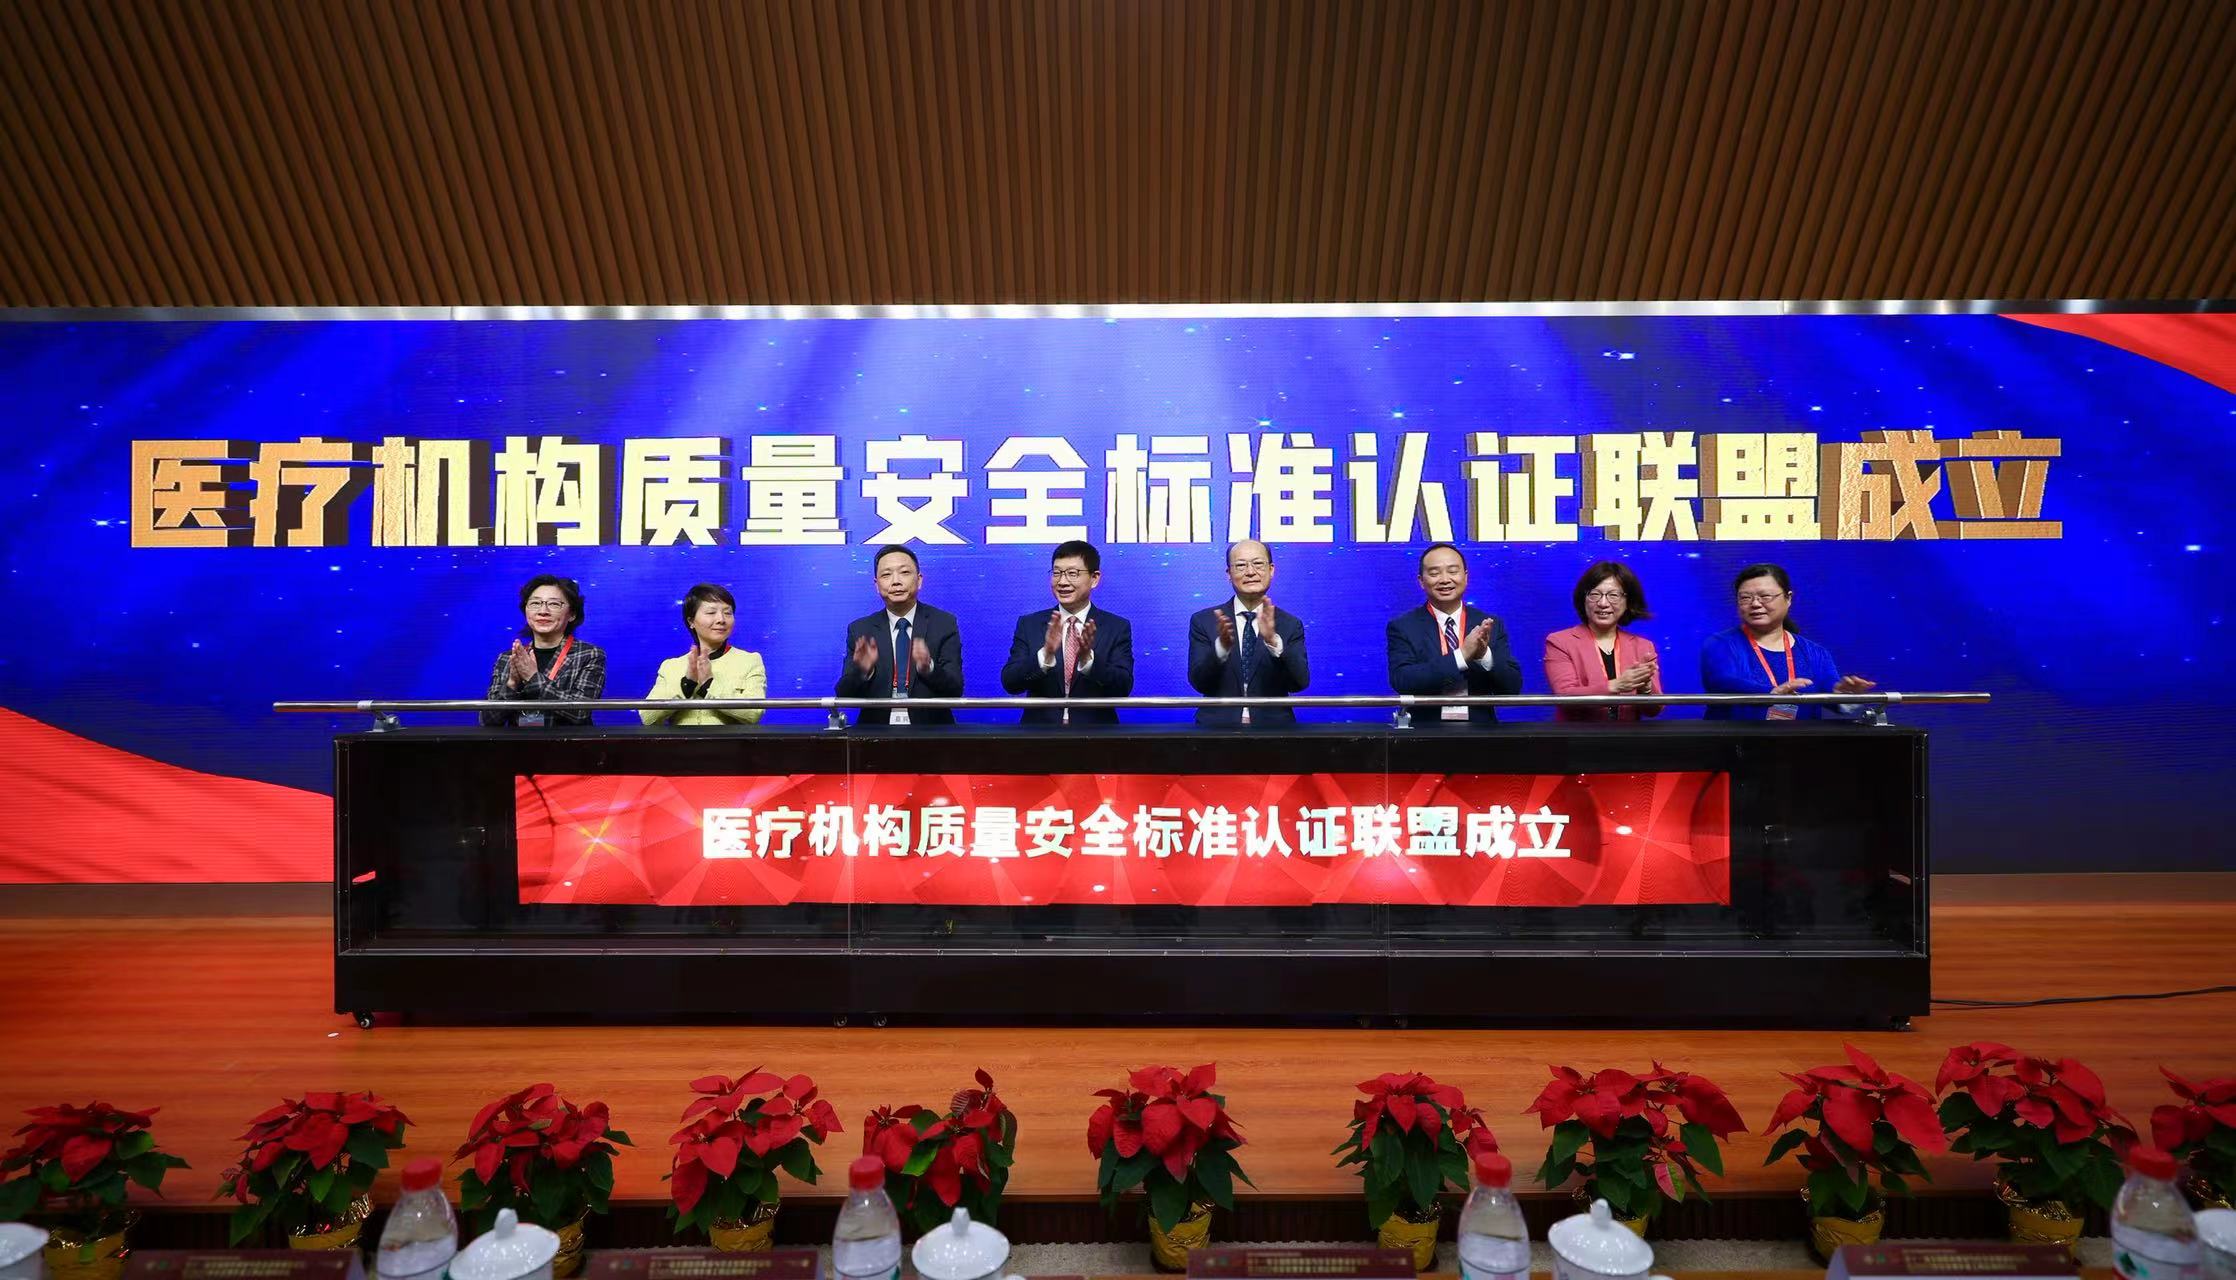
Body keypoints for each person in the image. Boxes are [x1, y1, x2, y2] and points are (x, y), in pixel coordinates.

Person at [1701, 563, 1876, 720]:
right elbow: (1722, 682)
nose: (1755, 604)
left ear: (1788, 598)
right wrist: (1771, 694)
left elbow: (1829, 689)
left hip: (1798, 742)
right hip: (1736, 741)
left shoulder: (1814, 652)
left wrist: (1843, 695)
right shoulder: (1720, 644)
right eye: (1745, 597)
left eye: (1765, 596)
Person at [1385, 543, 1523, 725]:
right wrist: (1461, 656)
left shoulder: (1489, 624)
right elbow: (1402, 681)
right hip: (1425, 730)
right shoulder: (1403, 626)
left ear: (1466, 576)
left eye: (1452, 571)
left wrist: (1484, 656)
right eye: (1434, 573)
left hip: (1481, 731)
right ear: (1421, 581)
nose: (1444, 579)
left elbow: (1512, 687)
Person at [1000, 539, 1134, 725]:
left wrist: (1089, 661)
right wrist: (1045, 655)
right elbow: (1010, 683)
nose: (1062, 582)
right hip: (1039, 733)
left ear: (1094, 578)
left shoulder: (1116, 627)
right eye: (1057, 573)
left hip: (1096, 734)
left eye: (1073, 573)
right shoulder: (1029, 624)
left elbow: (1123, 686)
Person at [1186, 540, 1309, 726]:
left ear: (1271, 570)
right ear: (1229, 574)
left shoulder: (1290, 624)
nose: (1250, 572)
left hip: (1274, 730)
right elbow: (1199, 682)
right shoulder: (1204, 621)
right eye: (1241, 565)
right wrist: (1221, 649)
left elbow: (1299, 683)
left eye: (1258, 564)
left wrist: (1274, 642)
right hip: (1217, 729)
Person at [837, 546, 964, 726]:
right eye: (886, 575)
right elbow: (843, 694)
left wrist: (929, 668)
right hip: (875, 731)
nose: (896, 581)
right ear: (876, 585)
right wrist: (863, 671)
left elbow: (955, 689)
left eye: (904, 572)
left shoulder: (943, 623)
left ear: (919, 580)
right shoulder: (861, 629)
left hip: (931, 730)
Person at [1543, 562, 1663, 722]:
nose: (1603, 603)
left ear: (1628, 602)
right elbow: (1564, 697)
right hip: (1577, 736)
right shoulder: (1560, 642)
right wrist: (1616, 686)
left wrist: (1645, 690)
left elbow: (1655, 710)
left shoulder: (1643, 646)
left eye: (1613, 595)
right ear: (1583, 599)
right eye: (1595, 594)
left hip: (1628, 735)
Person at [482, 575, 606, 727]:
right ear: (525, 611)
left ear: (572, 614)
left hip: (567, 741)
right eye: (535, 603)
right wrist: (512, 684)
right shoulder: (507, 658)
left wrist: (532, 677)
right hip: (518, 741)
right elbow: (488, 720)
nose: (543, 611)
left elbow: (580, 712)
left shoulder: (589, 654)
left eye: (554, 604)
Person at [643, 583, 768, 725]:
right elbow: (648, 718)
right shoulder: (671, 666)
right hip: (682, 740)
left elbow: (754, 713)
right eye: (711, 612)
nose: (721, 619)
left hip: (729, 740)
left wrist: (709, 685)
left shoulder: (749, 661)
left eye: (728, 613)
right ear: (691, 621)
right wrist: (687, 685)